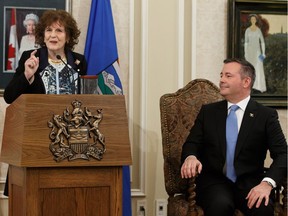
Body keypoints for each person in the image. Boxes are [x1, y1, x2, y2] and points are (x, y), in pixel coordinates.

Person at [181, 58, 287, 216]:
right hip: (215, 182)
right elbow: (191, 143)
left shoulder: (266, 116)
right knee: (220, 206)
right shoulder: (208, 112)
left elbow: (283, 155)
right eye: (221, 75)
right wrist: (190, 157)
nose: (221, 80)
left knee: (262, 210)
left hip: (251, 183)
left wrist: (267, 183)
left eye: (228, 76)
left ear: (246, 82)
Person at [3, 9, 87, 195]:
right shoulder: (30, 57)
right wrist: (27, 74)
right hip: (36, 141)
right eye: (49, 30)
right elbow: (9, 96)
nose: (53, 36)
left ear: (68, 36)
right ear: (42, 34)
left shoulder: (79, 62)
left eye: (59, 31)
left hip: (70, 143)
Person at [244, 14, 266, 93]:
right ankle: (250, 86)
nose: (253, 20)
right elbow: (246, 43)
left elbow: (262, 42)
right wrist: (245, 53)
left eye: (254, 19)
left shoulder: (258, 30)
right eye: (252, 19)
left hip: (257, 52)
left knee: (258, 68)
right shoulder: (247, 30)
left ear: (256, 20)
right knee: (250, 69)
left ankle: (258, 86)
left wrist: (263, 53)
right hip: (250, 52)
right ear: (250, 20)